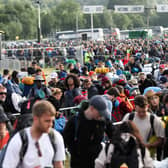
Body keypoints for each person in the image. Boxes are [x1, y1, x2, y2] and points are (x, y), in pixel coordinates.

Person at [2, 100, 65, 168]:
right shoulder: (19, 140)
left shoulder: (56, 137)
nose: (50, 124)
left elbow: (59, 164)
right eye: (47, 121)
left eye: (52, 121)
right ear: (36, 119)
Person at [63, 95, 112, 168]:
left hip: (98, 161)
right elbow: (66, 139)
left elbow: (114, 134)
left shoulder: (103, 120)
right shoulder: (75, 121)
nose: (101, 116)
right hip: (79, 162)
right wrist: (75, 152)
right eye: (99, 113)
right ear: (92, 108)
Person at [122, 95, 165, 159]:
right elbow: (121, 134)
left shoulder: (153, 119)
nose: (141, 114)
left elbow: (161, 139)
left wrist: (149, 146)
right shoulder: (129, 117)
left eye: (144, 111)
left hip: (149, 157)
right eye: (139, 112)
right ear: (135, 107)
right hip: (131, 155)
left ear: (147, 106)